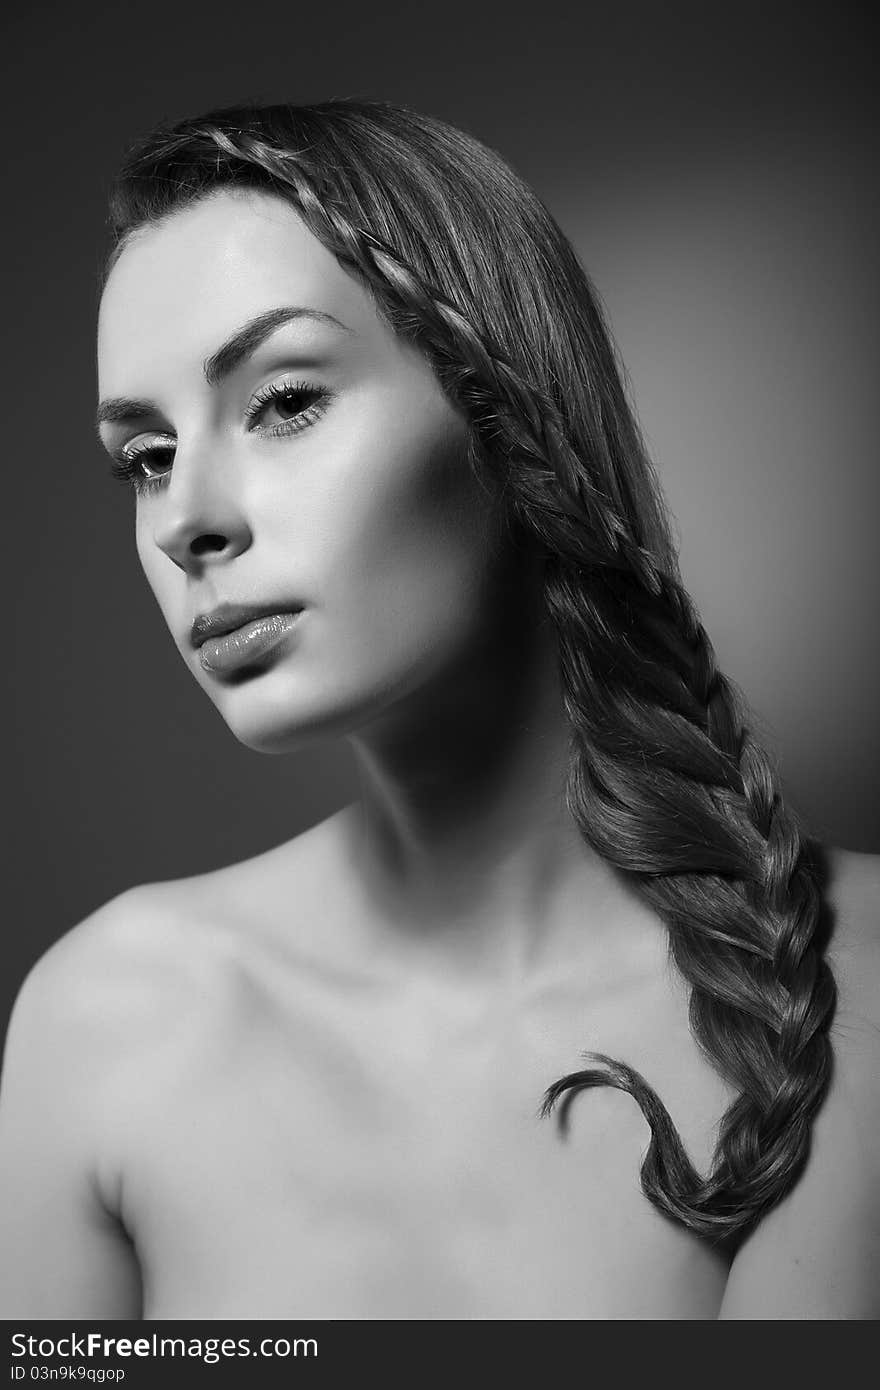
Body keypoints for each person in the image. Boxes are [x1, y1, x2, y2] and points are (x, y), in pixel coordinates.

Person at [0, 98, 878, 1322]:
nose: (186, 517)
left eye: (284, 400)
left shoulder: (862, 991)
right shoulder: (110, 1021)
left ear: (508, 414)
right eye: (145, 455)